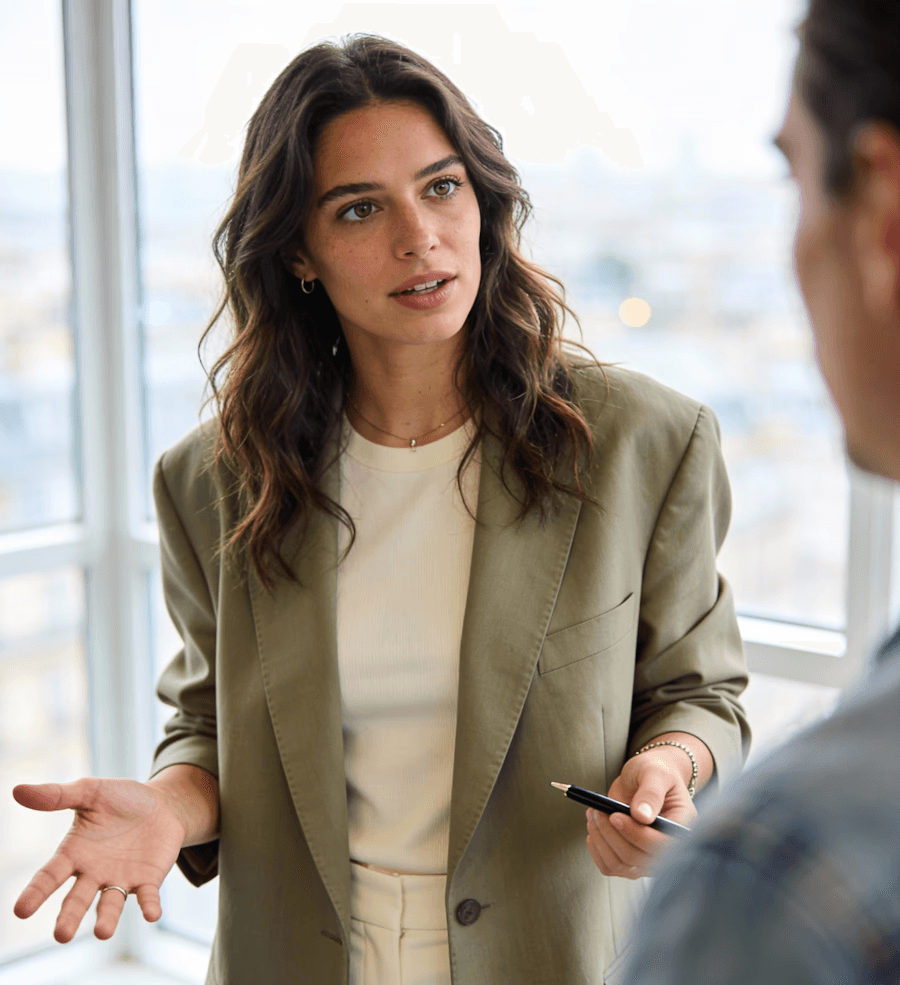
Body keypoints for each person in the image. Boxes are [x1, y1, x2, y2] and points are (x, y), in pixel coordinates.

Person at [12, 35, 750, 985]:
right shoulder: (212, 481)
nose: (419, 236)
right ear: (301, 256)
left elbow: (701, 692)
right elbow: (208, 720)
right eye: (360, 209)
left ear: (484, 200)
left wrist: (671, 767)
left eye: (441, 187)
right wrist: (170, 804)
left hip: (551, 955)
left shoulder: (646, 440)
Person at [611, 2, 900, 983]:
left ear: (885, 216)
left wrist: (676, 760)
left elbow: (698, 687)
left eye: (792, 176)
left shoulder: (774, 884)